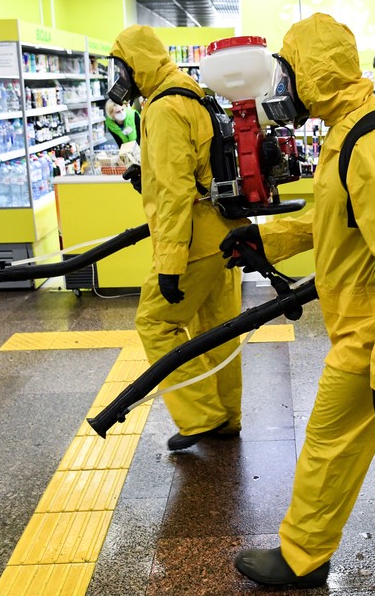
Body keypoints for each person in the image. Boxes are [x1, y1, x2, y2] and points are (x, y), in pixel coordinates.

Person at [223, 14, 375, 589]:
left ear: (314, 74)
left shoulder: (371, 143)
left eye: (287, 76)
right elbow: (339, 218)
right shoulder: (348, 129)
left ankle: (302, 554)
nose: (280, 91)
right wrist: (271, 238)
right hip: (373, 312)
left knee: (331, 436)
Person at [109, 25, 247, 451]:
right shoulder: (190, 91)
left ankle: (200, 417)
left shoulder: (164, 107)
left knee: (155, 322)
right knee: (218, 328)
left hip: (194, 239)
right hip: (224, 230)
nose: (118, 80)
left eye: (121, 68)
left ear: (136, 65)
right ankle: (225, 415)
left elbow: (174, 193)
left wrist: (169, 264)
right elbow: (187, 169)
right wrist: (144, 177)